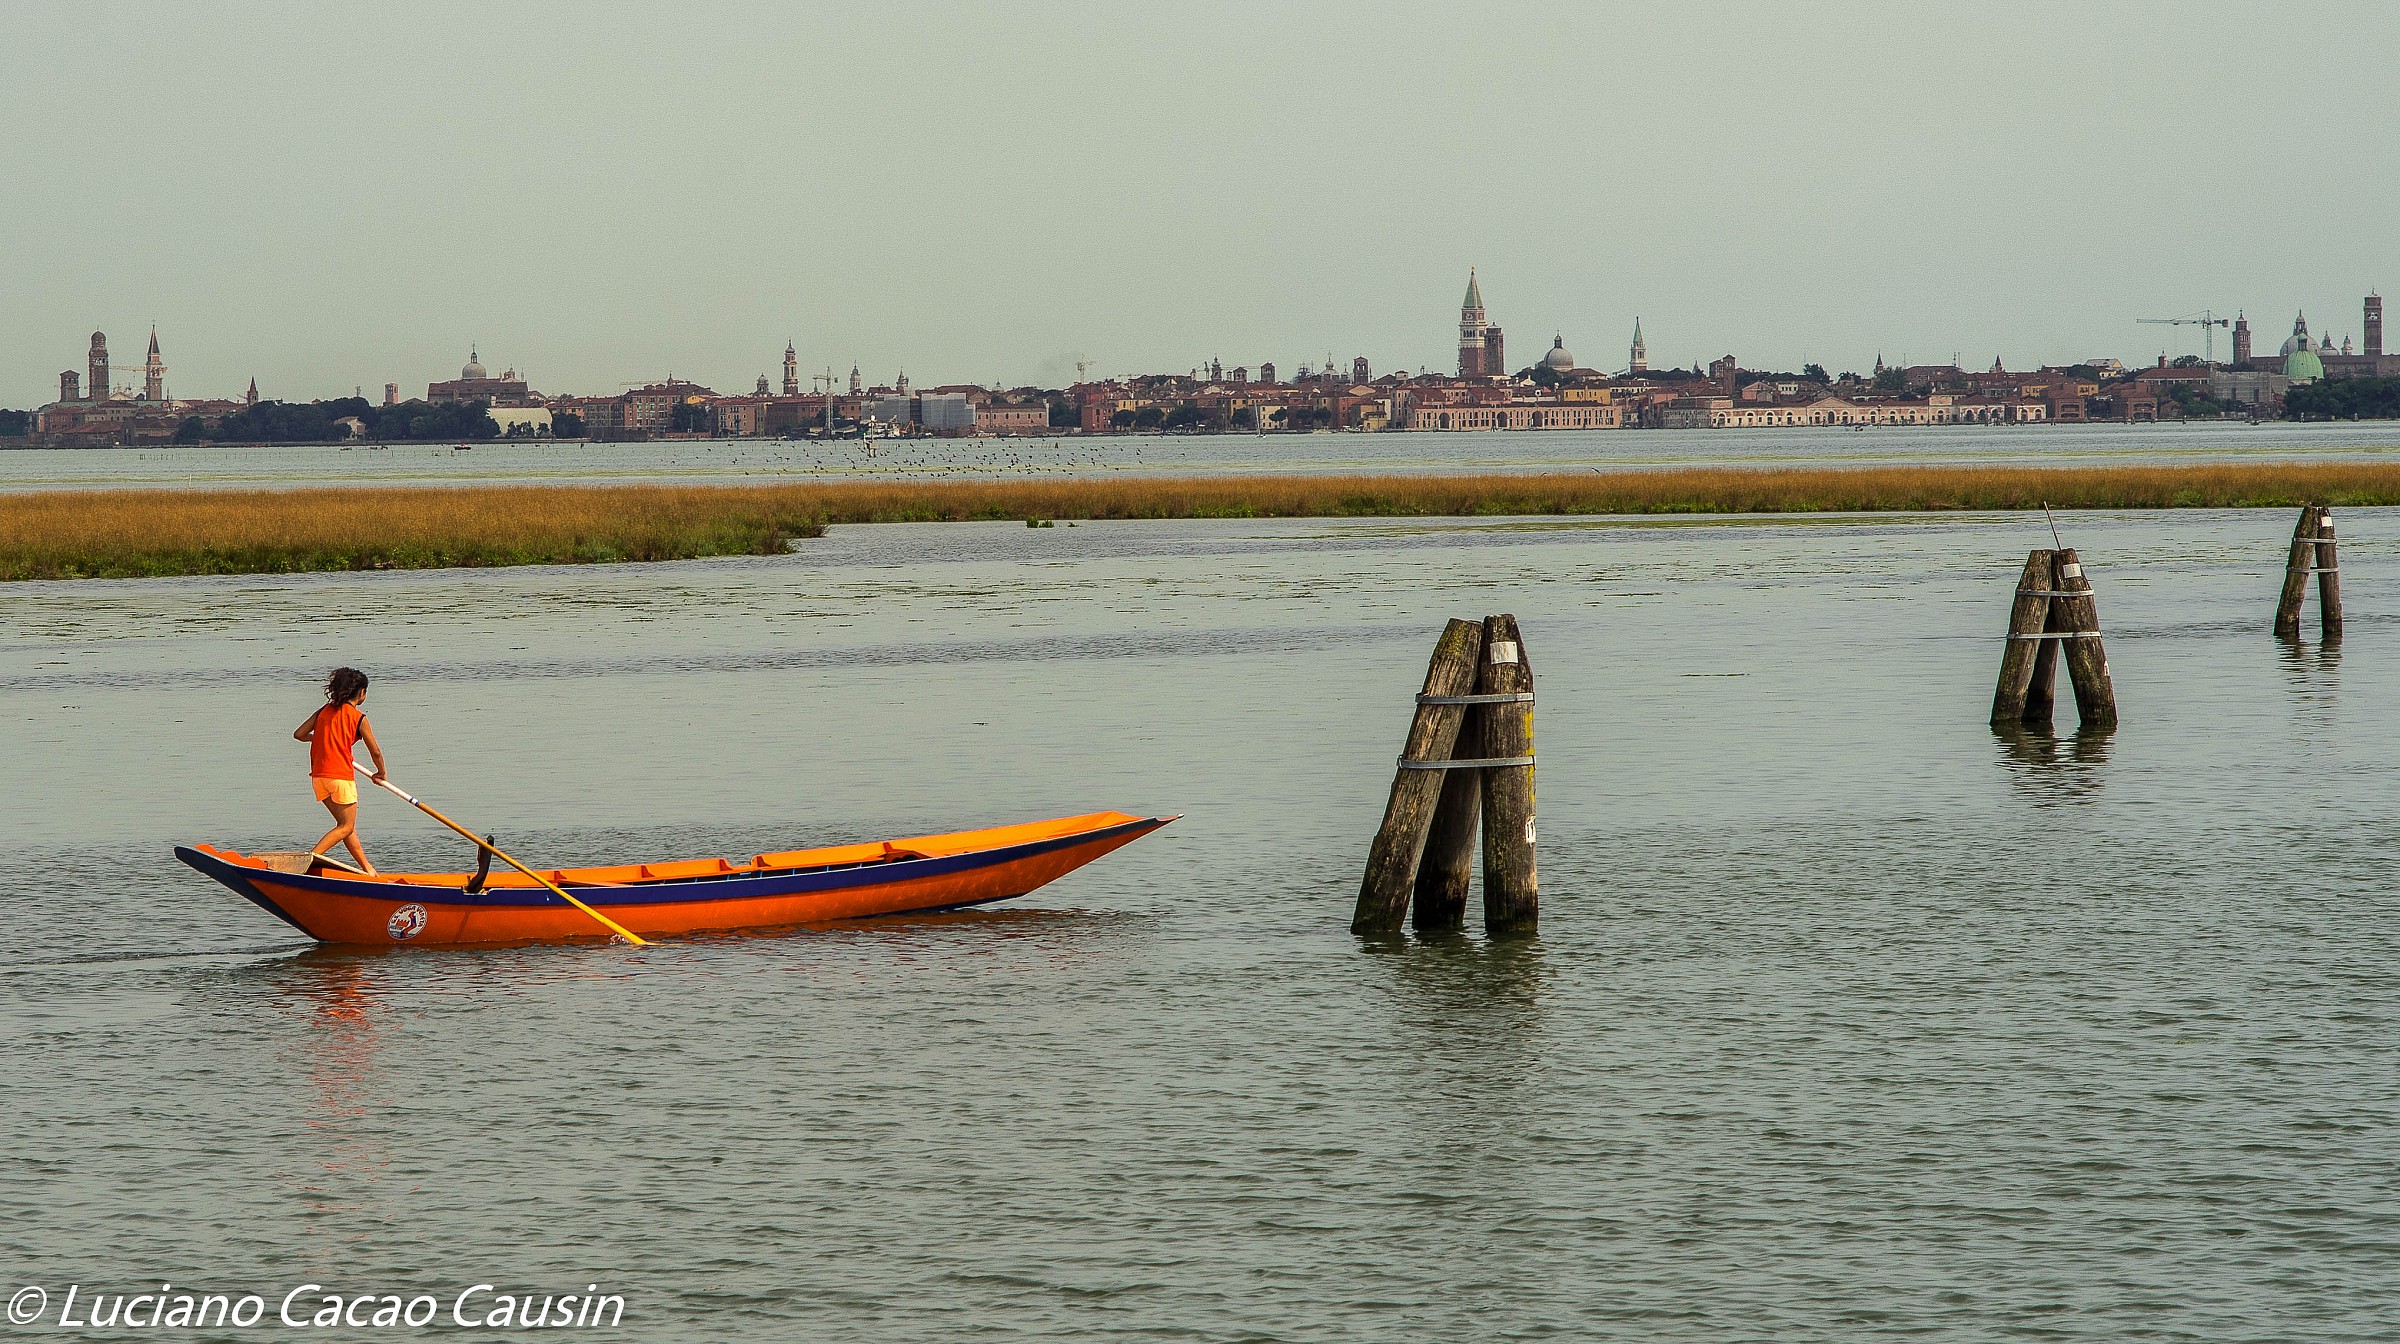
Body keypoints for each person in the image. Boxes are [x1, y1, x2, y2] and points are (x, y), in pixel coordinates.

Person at [294, 667, 387, 874]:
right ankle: (310, 859)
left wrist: (319, 738)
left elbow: (299, 734)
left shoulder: (323, 711)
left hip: (318, 777)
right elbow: (376, 752)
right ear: (361, 693)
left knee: (345, 826)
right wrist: (380, 773)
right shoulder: (358, 718)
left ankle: (368, 870)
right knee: (345, 826)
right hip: (340, 778)